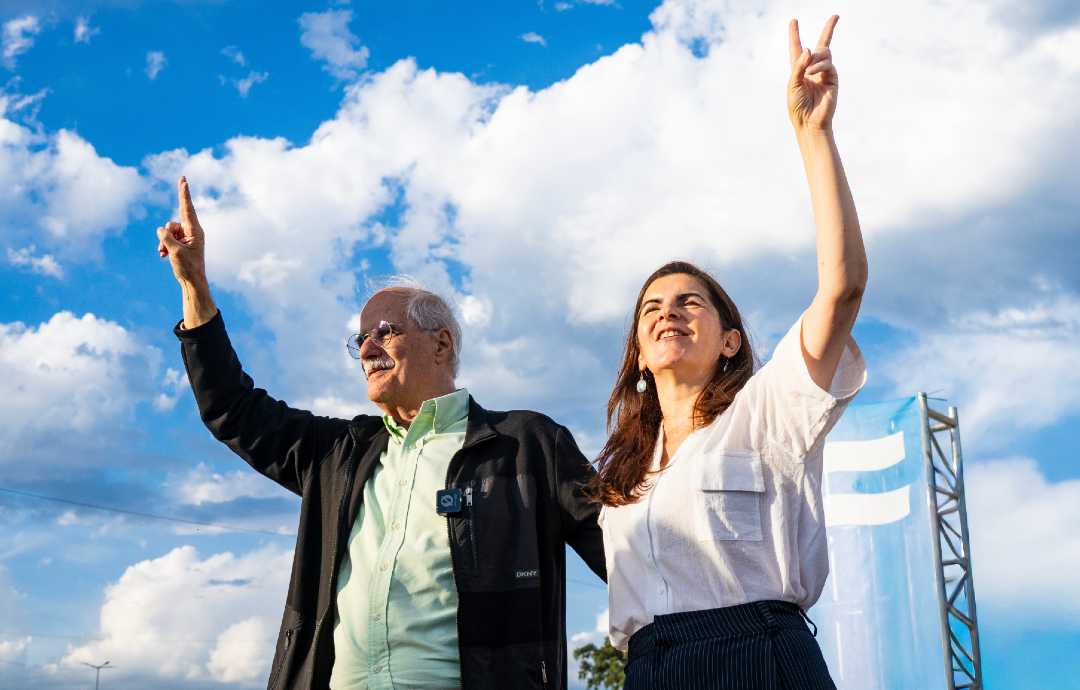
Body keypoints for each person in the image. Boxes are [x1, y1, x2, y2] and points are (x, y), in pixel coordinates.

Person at [155, 179, 606, 690]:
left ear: (441, 345)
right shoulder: (339, 454)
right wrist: (194, 285)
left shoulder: (526, 445)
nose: (366, 347)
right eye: (359, 338)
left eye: (385, 331)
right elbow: (232, 410)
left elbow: (625, 548)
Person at [591, 15, 868, 690]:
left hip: (758, 653)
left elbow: (842, 287)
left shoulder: (768, 412)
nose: (669, 313)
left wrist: (813, 135)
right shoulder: (621, 476)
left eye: (691, 303)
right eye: (652, 309)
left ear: (730, 340)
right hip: (650, 667)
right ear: (637, 355)